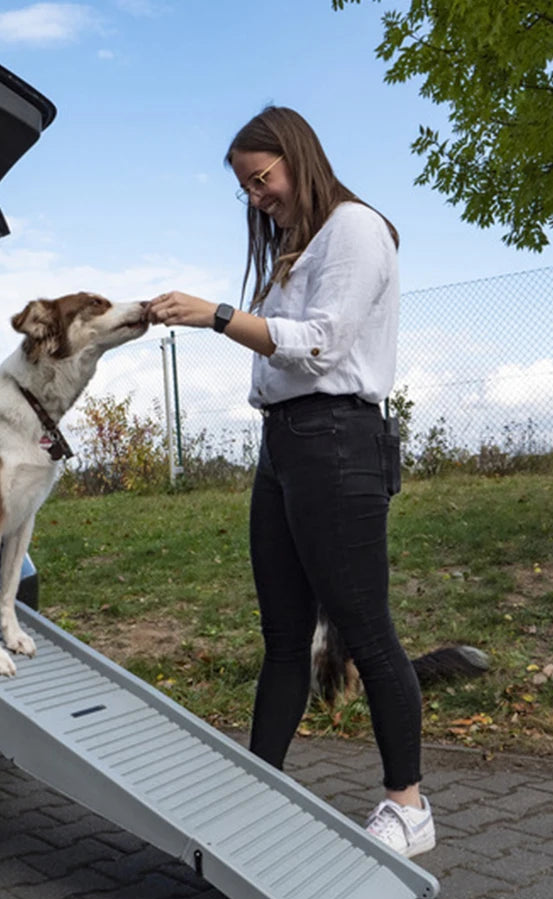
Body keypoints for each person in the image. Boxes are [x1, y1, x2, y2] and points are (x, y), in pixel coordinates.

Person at [148, 106, 434, 858]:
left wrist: (215, 315)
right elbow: (278, 355)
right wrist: (256, 297)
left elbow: (318, 343)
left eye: (260, 179)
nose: (254, 197)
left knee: (366, 632)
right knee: (282, 636)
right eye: (245, 187)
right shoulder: (294, 246)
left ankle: (407, 804)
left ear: (295, 156)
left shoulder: (355, 229)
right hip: (285, 445)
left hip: (337, 439)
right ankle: (255, 792)